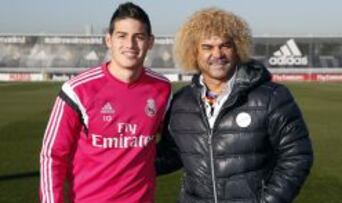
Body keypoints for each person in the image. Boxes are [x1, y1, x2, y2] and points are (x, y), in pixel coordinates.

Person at [156, 8, 313, 203]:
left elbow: (297, 156)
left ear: (237, 48)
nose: (217, 54)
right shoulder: (181, 101)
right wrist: (122, 157)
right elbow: (173, 154)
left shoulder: (272, 96)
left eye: (225, 45)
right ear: (193, 51)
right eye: (207, 47)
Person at [39, 2, 171, 203]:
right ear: (108, 40)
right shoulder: (77, 90)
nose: (130, 44)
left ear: (150, 42)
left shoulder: (162, 89)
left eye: (139, 37)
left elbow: (178, 142)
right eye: (122, 36)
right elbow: (52, 155)